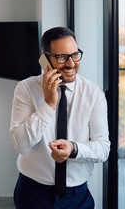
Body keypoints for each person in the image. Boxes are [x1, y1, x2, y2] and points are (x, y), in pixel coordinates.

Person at [9, 27, 110, 209]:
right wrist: (48, 104)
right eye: (62, 57)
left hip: (77, 197)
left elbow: (103, 149)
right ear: (45, 58)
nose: (71, 64)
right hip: (33, 193)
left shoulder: (93, 93)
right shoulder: (26, 89)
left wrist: (74, 148)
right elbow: (20, 144)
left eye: (75, 55)